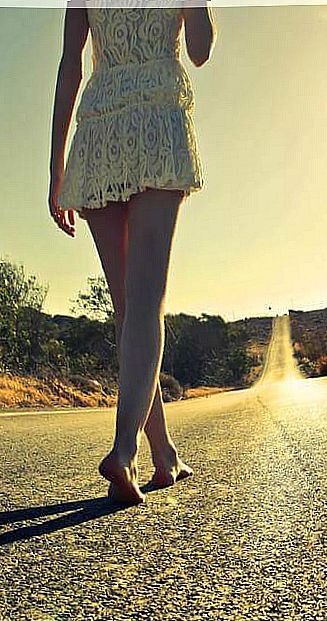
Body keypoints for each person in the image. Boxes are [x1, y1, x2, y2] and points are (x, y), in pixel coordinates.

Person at [48, 1, 215, 505]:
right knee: (145, 307)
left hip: (99, 133)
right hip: (157, 127)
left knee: (129, 312)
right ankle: (124, 452)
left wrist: (55, 169)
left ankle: (163, 453)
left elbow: (69, 68)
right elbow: (201, 52)